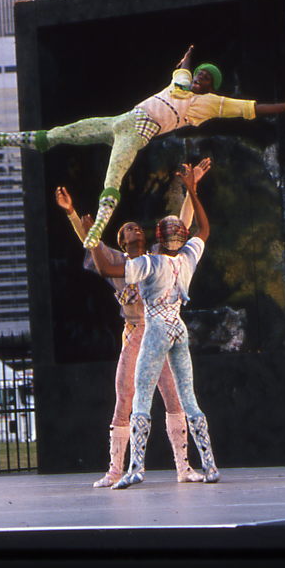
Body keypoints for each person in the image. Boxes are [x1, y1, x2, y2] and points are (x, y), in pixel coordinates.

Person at [0, 44, 285, 249]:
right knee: (61, 133)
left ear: (212, 86)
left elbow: (250, 108)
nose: (199, 78)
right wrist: (189, 56)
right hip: (120, 120)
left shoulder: (211, 105)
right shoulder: (180, 83)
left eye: (206, 79)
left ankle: (99, 228)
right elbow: (182, 68)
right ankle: (3, 139)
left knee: (113, 177)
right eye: (200, 75)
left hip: (137, 133)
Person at [55, 168, 212, 486]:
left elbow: (181, 230)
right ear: (121, 240)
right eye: (128, 228)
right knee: (124, 398)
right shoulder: (118, 263)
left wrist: (189, 191)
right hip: (136, 334)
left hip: (161, 331)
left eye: (137, 227)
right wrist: (74, 215)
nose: (134, 229)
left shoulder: (157, 258)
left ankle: (183, 467)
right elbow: (93, 246)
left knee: (174, 398)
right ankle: (115, 469)